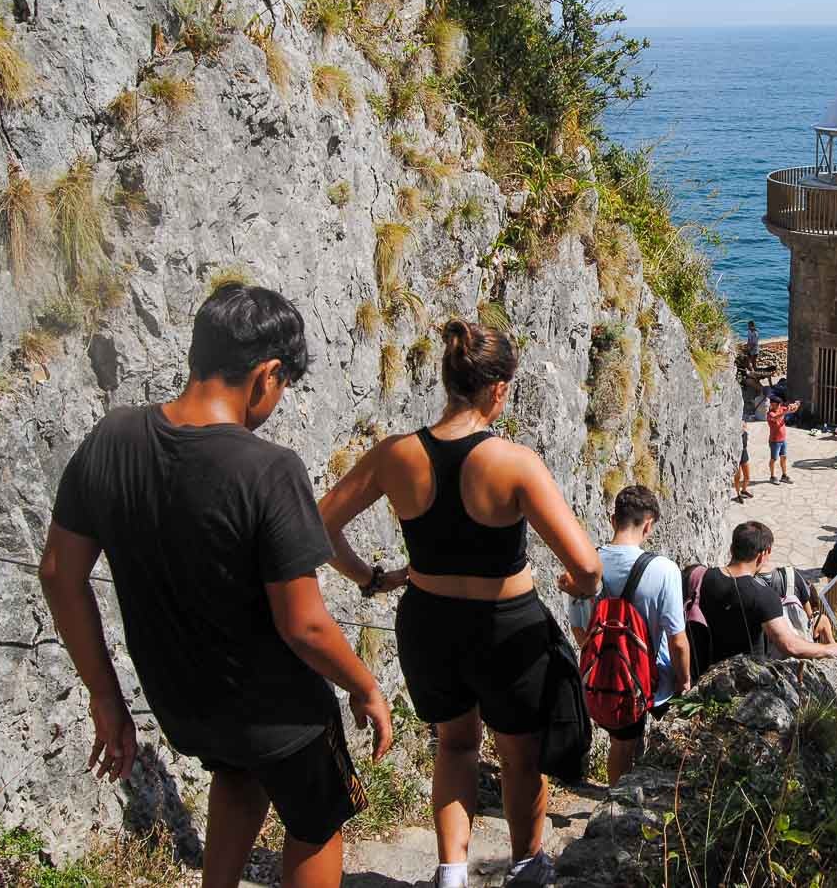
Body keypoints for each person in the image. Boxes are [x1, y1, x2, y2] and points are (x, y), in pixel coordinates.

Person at [38, 284, 393, 888]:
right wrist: (365, 686)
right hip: (279, 714)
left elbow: (57, 573)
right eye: (283, 387)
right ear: (268, 373)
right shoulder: (268, 470)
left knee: (238, 778)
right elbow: (303, 625)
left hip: (186, 706)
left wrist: (104, 695)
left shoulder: (112, 438)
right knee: (316, 820)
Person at [319, 319, 603, 888]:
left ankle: (451, 873)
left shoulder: (396, 455)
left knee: (455, 744)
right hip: (507, 628)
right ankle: (526, 865)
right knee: (519, 752)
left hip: (428, 622)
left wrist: (370, 578)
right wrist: (579, 588)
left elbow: (319, 522)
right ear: (498, 389)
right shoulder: (514, 463)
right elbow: (589, 565)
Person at [567, 486, 690, 786]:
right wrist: (684, 681)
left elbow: (579, 629)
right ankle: (624, 807)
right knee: (646, 750)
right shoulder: (664, 570)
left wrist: (607, 657)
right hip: (655, 682)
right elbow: (677, 640)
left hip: (606, 681)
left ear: (612, 520)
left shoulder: (585, 566)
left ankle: (614, 800)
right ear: (649, 524)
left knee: (619, 746)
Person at [698, 523, 837, 668]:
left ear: (731, 548)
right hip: (744, 677)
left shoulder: (701, 577)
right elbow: (790, 645)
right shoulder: (763, 595)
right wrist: (829, 649)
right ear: (764, 554)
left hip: (706, 670)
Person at [766, 398, 802, 484]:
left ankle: (784, 475)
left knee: (784, 457)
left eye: (779, 404)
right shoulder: (770, 414)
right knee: (773, 459)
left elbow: (793, 410)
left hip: (783, 439)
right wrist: (785, 412)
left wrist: (796, 405)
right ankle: (772, 476)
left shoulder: (781, 408)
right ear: (772, 404)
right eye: (776, 404)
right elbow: (775, 418)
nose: (778, 406)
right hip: (774, 441)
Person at [732, 422, 752, 504]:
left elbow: (745, 445)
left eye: (744, 425)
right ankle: (738, 495)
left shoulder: (746, 434)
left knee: (747, 477)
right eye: (742, 425)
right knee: (738, 477)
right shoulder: (734, 436)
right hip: (736, 456)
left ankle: (744, 490)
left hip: (744, 455)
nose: (744, 426)